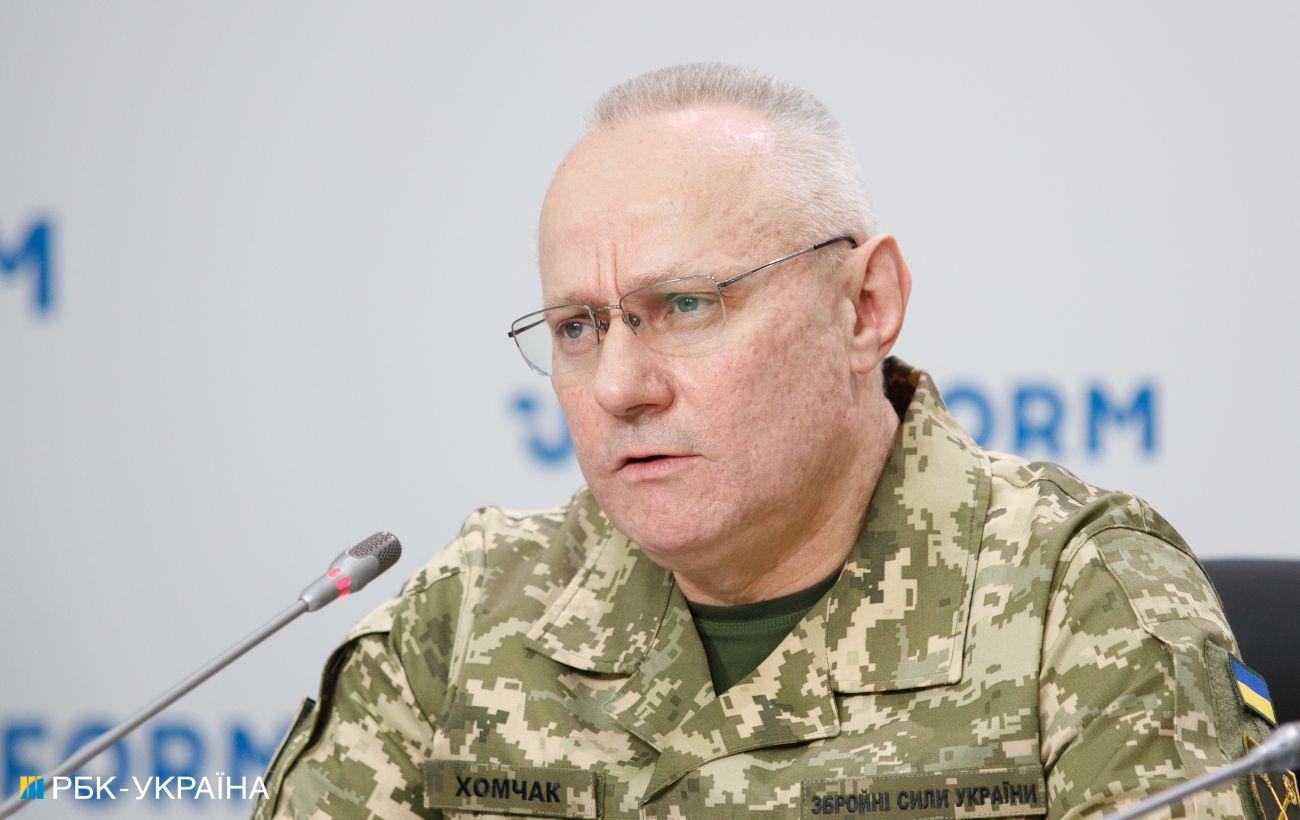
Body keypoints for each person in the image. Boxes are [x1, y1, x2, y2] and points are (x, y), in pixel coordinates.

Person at [253, 63, 1294, 819]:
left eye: (687, 304)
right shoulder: (470, 614)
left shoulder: (1081, 600)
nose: (619, 386)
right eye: (577, 327)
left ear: (865, 305)